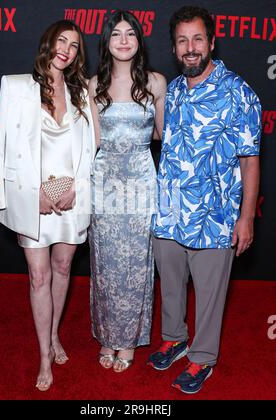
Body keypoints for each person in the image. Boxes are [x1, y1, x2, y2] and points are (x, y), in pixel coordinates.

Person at [148, 5, 261, 394]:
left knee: (211, 294)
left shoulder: (239, 93)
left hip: (214, 216)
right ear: (175, 48)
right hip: (170, 213)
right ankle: (175, 337)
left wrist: (246, 219)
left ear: (211, 42)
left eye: (197, 39)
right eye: (182, 41)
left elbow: (250, 161)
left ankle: (202, 358)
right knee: (172, 283)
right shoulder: (174, 91)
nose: (190, 47)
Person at [0, 20, 96, 391]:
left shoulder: (82, 93)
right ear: (48, 41)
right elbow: (2, 149)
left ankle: (54, 336)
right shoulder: (16, 85)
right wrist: (19, 196)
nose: (66, 48)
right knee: (39, 276)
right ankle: (42, 356)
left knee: (63, 267)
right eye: (61, 40)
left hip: (71, 198)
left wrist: (78, 188)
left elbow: (89, 151)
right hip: (32, 198)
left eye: (74, 45)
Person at [88, 10, 167, 372]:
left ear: (139, 40)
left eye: (130, 34)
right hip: (104, 182)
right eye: (116, 34)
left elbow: (162, 136)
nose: (123, 40)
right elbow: (93, 141)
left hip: (139, 182)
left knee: (137, 263)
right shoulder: (93, 85)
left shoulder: (155, 83)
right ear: (107, 41)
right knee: (105, 263)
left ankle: (131, 340)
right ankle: (107, 336)